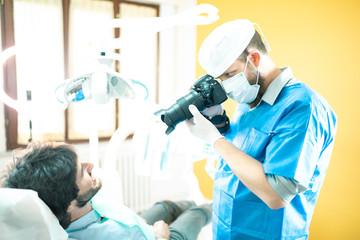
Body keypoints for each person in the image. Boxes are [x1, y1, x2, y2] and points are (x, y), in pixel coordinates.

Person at [185, 19, 337, 239]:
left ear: (254, 59)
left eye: (229, 74)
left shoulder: (303, 106)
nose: (226, 86)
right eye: (220, 79)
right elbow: (242, 153)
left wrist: (214, 140)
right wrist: (217, 122)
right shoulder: (250, 100)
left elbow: (277, 194)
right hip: (226, 229)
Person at [4, 141, 212, 240]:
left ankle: (193, 203)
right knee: (196, 214)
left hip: (134, 224)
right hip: (156, 238)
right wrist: (162, 235)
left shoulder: (78, 202)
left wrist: (142, 223)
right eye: (82, 171)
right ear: (69, 201)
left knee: (164, 206)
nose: (91, 165)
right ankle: (211, 207)